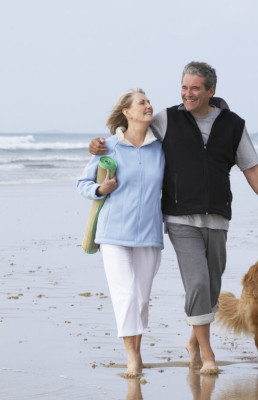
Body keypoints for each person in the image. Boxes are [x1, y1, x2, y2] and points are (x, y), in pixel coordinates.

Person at [89, 62, 258, 375]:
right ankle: (207, 354)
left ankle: (194, 342)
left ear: (211, 90)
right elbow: (132, 134)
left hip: (218, 218)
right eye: (184, 87)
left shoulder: (234, 125)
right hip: (179, 218)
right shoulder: (168, 118)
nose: (188, 93)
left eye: (195, 88)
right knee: (196, 282)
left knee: (210, 287)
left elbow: (251, 168)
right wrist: (101, 143)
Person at [78, 88, 165, 378]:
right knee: (125, 295)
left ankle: (136, 353)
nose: (149, 106)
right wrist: (100, 190)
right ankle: (132, 358)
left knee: (141, 299)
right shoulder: (109, 147)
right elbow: (83, 183)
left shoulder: (161, 147)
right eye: (142, 102)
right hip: (114, 233)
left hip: (150, 233)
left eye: (149, 101)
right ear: (127, 112)